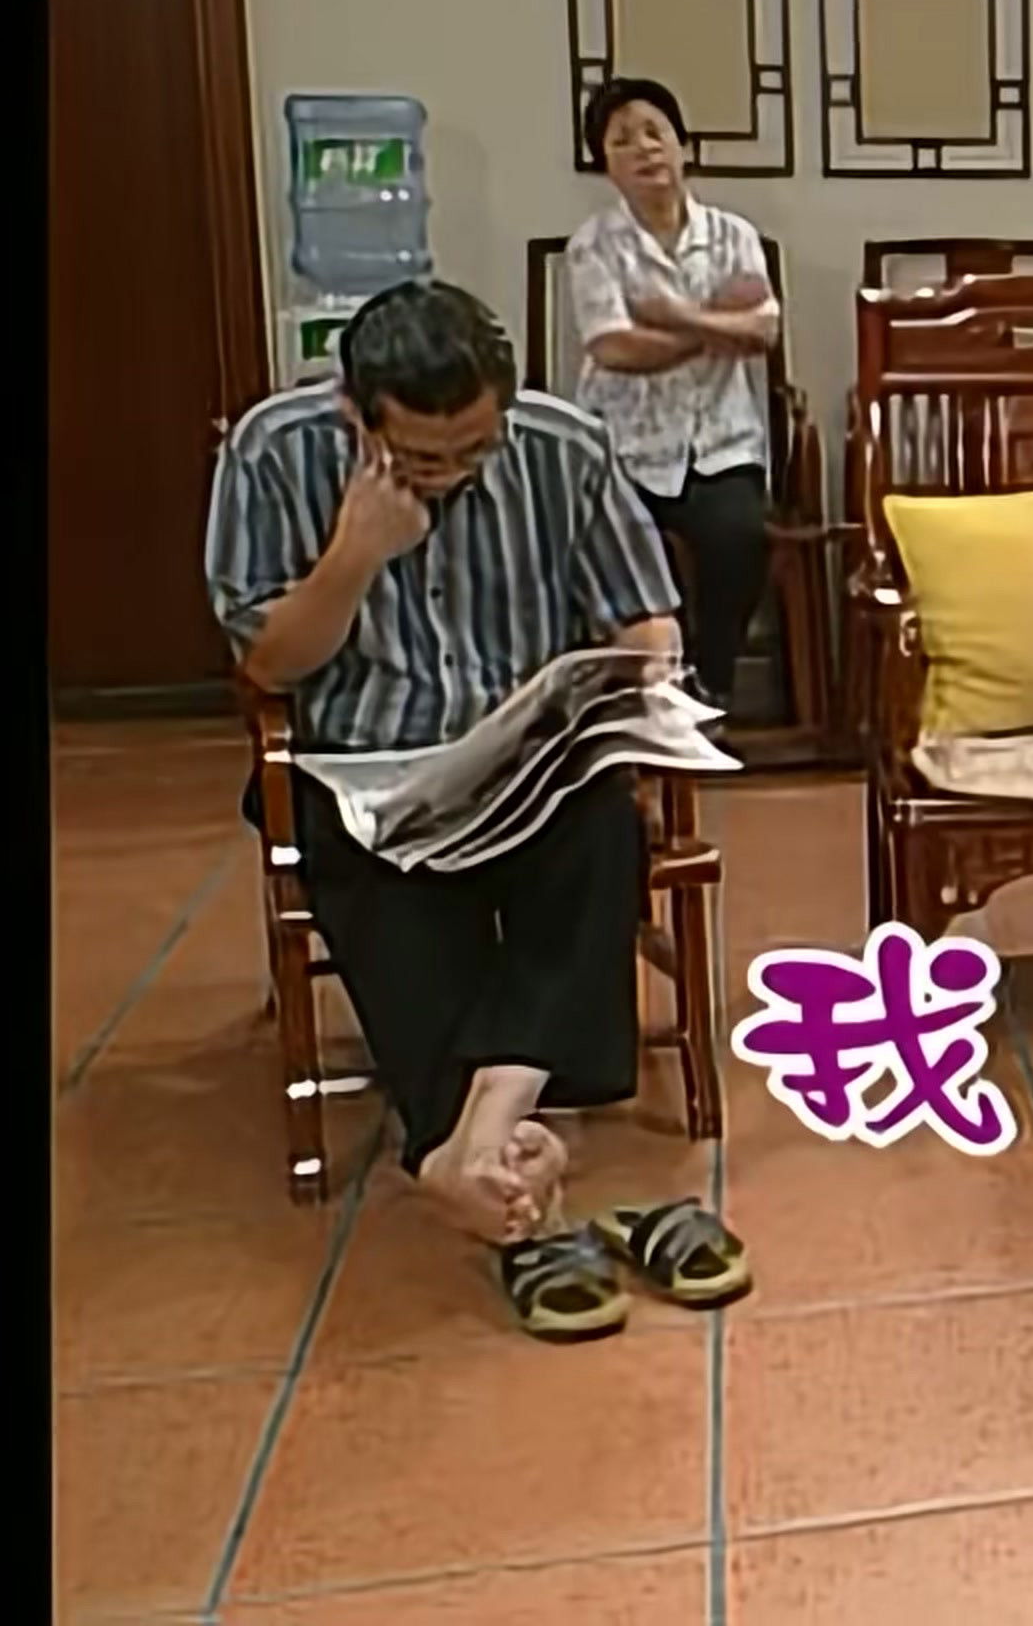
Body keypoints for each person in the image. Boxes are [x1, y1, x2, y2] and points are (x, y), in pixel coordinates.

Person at [207, 280, 750, 1340]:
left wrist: (642, 671)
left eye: (475, 448)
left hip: (523, 759)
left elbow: (644, 615)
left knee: (601, 826)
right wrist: (356, 552)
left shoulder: (562, 446)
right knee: (388, 886)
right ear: (355, 413)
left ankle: (473, 1142)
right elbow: (268, 665)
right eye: (423, 455)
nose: (455, 472)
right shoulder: (273, 453)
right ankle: (514, 1142)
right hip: (367, 767)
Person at [563, 76, 781, 718]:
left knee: (740, 538)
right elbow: (614, 348)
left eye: (655, 132)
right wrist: (714, 325)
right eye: (622, 140)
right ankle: (637, 696)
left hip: (722, 442)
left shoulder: (735, 236)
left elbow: (762, 333)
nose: (644, 148)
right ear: (606, 165)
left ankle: (708, 687)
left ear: (684, 146)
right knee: (617, 550)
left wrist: (671, 316)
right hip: (624, 448)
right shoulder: (593, 246)